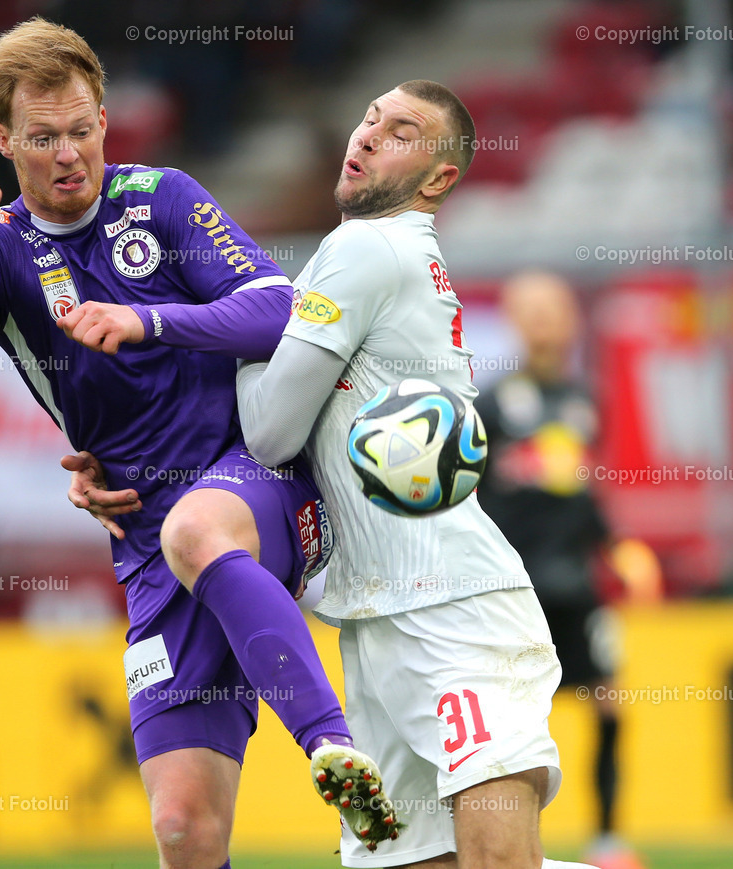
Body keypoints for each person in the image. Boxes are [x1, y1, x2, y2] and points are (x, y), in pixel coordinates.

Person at [0, 17, 396, 869]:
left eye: (81, 129)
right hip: (146, 540)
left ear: (104, 118)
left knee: (201, 529)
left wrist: (149, 319)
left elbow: (281, 312)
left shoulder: (165, 200)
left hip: (256, 478)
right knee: (183, 831)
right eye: (43, 138)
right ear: (2, 141)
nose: (68, 153)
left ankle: (334, 749)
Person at [236, 81, 596, 869]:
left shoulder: (368, 246)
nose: (367, 135)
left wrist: (224, 332)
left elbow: (266, 432)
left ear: (438, 178)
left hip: (454, 607)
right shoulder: (396, 257)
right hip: (375, 616)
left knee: (497, 861)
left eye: (400, 131)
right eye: (368, 117)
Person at [474, 273, 647, 869]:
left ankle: (606, 837)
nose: (545, 319)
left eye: (555, 308)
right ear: (515, 322)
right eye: (532, 310)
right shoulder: (491, 406)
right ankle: (510, 838)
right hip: (515, 590)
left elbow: (583, 493)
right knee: (514, 720)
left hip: (578, 584)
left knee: (608, 703)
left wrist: (617, 546)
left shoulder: (582, 403)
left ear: (573, 319)